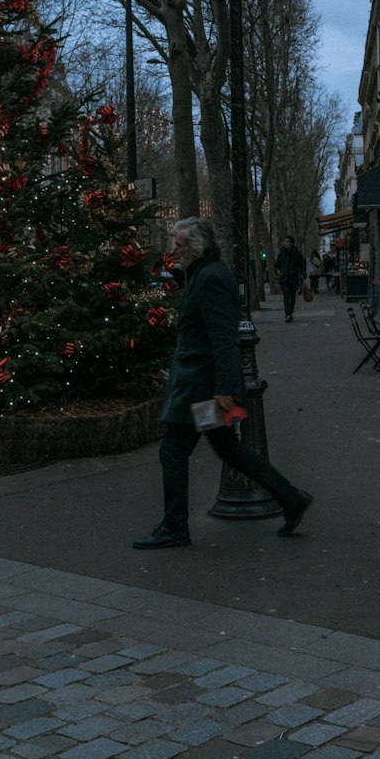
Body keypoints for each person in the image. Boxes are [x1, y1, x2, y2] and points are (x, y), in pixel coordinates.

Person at [133, 218, 312, 549]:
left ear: (195, 248)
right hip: (203, 386)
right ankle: (291, 497)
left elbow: (224, 339)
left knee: (173, 450)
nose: (173, 250)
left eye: (178, 245)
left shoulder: (211, 278)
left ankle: (174, 526)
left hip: (200, 390)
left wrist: (225, 390)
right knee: (229, 449)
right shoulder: (203, 272)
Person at [274, 234, 306, 322]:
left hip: (294, 278)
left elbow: (302, 265)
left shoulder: (297, 254)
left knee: (292, 297)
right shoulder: (282, 254)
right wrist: (278, 271)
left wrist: (302, 275)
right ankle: (287, 314)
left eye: (287, 241)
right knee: (286, 295)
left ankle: (290, 312)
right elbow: (276, 266)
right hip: (284, 279)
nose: (285, 243)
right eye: (284, 241)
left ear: (291, 243)